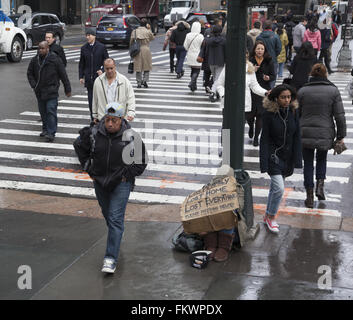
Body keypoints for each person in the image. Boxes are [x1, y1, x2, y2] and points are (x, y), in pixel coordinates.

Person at [75, 102, 148, 273]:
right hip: (100, 181)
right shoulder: (93, 132)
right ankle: (116, 236)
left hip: (121, 183)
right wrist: (88, 167)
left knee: (115, 219)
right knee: (109, 216)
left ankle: (110, 258)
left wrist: (127, 175)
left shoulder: (131, 136)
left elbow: (141, 161)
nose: (109, 124)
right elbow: (79, 146)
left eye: (114, 120)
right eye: (107, 119)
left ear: (121, 120)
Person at [297, 64, 346, 208]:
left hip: (305, 132)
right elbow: (340, 116)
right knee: (321, 159)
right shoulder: (333, 91)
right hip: (325, 132)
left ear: (312, 74)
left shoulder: (303, 91)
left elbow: (296, 114)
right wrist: (341, 135)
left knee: (308, 163)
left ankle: (310, 195)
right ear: (325, 75)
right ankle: (320, 187)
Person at [260, 84, 302, 233]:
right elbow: (264, 138)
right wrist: (264, 162)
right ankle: (271, 217)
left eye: (289, 97)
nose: (286, 100)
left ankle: (266, 216)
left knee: (275, 189)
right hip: (274, 157)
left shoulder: (293, 112)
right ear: (276, 98)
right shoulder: (268, 114)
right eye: (283, 97)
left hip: (287, 157)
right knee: (279, 188)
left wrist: (298, 159)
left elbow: (297, 135)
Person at [27, 41, 71, 142]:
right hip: (39, 91)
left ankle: (51, 132)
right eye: (39, 48)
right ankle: (45, 129)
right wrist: (34, 85)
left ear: (47, 49)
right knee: (43, 112)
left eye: (42, 48)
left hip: (51, 90)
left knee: (50, 110)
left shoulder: (55, 60)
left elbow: (63, 75)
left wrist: (67, 89)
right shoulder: (35, 60)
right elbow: (29, 73)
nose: (40, 50)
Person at [248, 40, 275, 146]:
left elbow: (273, 75)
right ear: (254, 49)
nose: (260, 51)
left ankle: (256, 137)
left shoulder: (269, 61)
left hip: (264, 90)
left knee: (260, 115)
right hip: (251, 90)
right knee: (250, 115)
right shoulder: (250, 60)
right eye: (258, 48)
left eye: (262, 49)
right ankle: (250, 127)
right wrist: (252, 70)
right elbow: (245, 73)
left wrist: (269, 78)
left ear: (265, 50)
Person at [79, 28, 109, 120]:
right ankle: (93, 119)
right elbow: (81, 64)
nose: (88, 37)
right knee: (91, 100)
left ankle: (102, 118)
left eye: (89, 35)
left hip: (99, 78)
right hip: (89, 79)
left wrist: (103, 70)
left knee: (100, 100)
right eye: (86, 35)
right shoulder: (84, 48)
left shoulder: (101, 47)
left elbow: (107, 61)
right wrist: (81, 76)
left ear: (94, 36)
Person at [256, 20, 282, 87]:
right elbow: (279, 48)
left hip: (260, 60)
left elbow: (256, 48)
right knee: (272, 77)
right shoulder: (275, 36)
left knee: (260, 78)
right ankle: (270, 92)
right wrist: (274, 55)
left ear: (263, 26)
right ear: (271, 26)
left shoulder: (259, 37)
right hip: (273, 59)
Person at [130, 18, 154, 88]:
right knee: (147, 66)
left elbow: (131, 41)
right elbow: (152, 38)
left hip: (137, 49)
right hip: (146, 49)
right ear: (146, 24)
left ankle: (139, 82)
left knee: (138, 67)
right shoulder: (148, 31)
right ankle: (145, 81)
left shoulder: (134, 31)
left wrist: (131, 49)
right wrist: (149, 29)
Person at [205, 24, 226, 102]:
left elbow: (206, 51)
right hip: (220, 61)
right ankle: (213, 92)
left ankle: (215, 93)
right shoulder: (224, 41)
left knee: (215, 77)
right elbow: (226, 52)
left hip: (211, 61)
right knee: (217, 78)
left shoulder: (208, 40)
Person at [184, 21, 204, 92]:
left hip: (190, 54)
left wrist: (189, 50)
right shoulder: (201, 36)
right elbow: (203, 46)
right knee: (197, 70)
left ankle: (193, 85)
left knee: (193, 69)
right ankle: (192, 82)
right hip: (198, 55)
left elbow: (185, 46)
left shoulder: (188, 35)